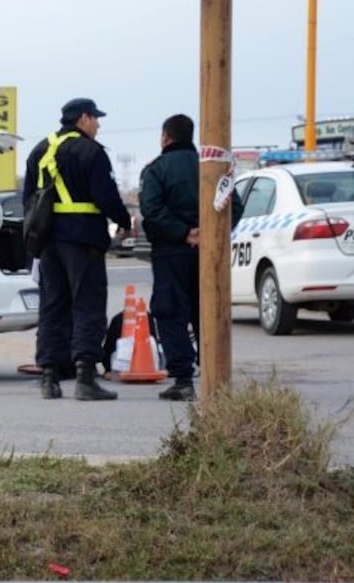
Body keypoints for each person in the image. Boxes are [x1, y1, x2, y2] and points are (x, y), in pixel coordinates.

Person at [22, 98, 132, 400]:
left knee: (52, 306)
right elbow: (106, 196)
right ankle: (85, 377)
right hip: (83, 238)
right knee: (88, 305)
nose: (98, 124)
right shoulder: (90, 152)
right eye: (95, 119)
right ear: (83, 119)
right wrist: (124, 220)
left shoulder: (40, 150)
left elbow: (28, 198)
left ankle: (49, 377)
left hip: (47, 241)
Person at [139, 114, 243, 401]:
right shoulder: (212, 169)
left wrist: (184, 233)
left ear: (165, 137)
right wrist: (210, 234)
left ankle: (183, 380)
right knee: (207, 310)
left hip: (171, 252)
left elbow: (151, 210)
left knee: (170, 312)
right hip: (209, 255)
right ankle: (215, 378)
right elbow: (234, 204)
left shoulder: (156, 170)